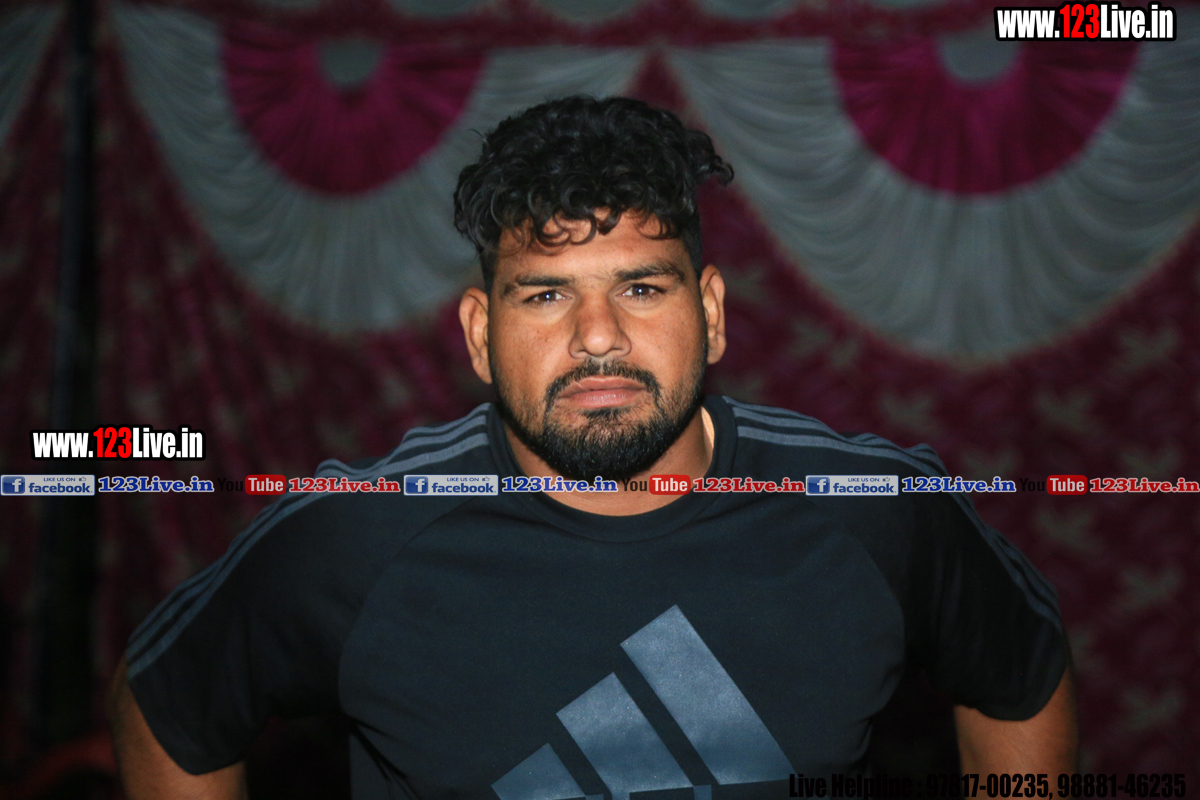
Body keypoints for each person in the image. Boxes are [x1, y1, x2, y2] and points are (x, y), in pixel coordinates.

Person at [108, 96, 1077, 800]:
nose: (599, 336)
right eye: (546, 293)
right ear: (480, 333)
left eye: (642, 288)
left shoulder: (870, 510)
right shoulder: (358, 536)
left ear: (711, 312)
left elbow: (1021, 680)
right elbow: (167, 708)